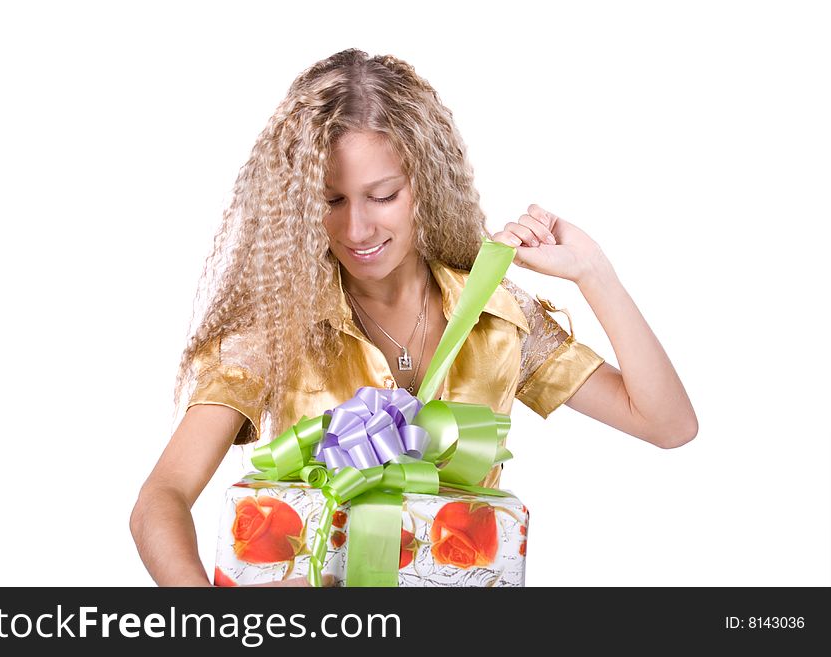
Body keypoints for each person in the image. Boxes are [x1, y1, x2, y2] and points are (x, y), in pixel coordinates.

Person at [130, 48, 698, 587]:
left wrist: (593, 273)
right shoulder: (276, 330)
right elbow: (162, 499)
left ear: (423, 184)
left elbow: (668, 425)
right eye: (332, 201)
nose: (356, 230)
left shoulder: (499, 317)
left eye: (382, 196)